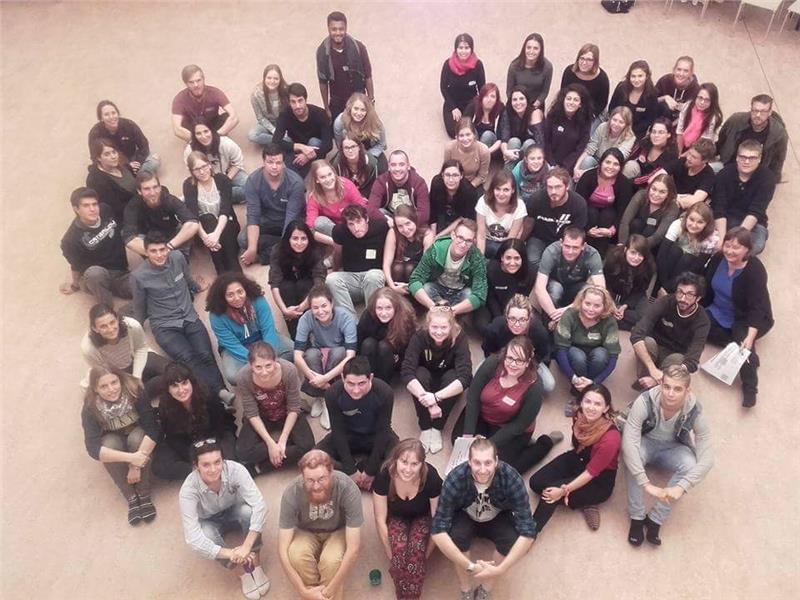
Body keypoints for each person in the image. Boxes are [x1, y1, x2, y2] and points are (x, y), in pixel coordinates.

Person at [431, 437, 536, 600]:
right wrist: (470, 566)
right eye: (477, 463)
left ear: (496, 461)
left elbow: (528, 531)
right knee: (456, 538)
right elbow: (438, 530)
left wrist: (500, 570)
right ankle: (465, 589)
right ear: (469, 462)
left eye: (488, 463)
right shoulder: (455, 478)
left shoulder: (511, 478)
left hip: (498, 516)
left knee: (512, 540)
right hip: (466, 514)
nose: (482, 470)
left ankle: (486, 588)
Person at [131, 232, 229, 402]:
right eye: (153, 251)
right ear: (146, 252)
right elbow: (139, 306)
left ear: (168, 248)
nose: (159, 255)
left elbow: (187, 278)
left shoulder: (177, 258)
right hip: (165, 326)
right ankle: (218, 396)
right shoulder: (138, 277)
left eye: (162, 249)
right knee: (188, 359)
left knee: (206, 355)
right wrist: (136, 331)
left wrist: (197, 286)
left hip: (189, 317)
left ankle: (222, 393)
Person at [622, 365, 713, 547]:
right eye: (667, 387)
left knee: (690, 464)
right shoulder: (644, 401)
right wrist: (646, 484)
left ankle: (655, 519)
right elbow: (629, 442)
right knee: (632, 456)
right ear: (661, 384)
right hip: (645, 443)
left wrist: (682, 487)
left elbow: (707, 456)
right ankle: (637, 517)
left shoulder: (695, 410)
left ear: (687, 391)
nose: (670, 394)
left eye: (677, 389)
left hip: (672, 448)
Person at [451, 337, 562, 475]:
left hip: (510, 427)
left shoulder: (534, 387)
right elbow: (473, 397)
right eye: (510, 358)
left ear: (528, 362)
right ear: (504, 355)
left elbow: (519, 425)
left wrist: (489, 444)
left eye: (519, 360)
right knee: (459, 443)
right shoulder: (492, 363)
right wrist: (468, 435)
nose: (513, 364)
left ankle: (545, 443)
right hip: (483, 414)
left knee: (500, 469)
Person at [178, 439, 269, 600]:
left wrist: (247, 546)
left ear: (223, 460)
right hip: (208, 520)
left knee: (248, 511)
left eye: (217, 462)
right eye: (206, 465)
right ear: (196, 466)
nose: (213, 469)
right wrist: (231, 553)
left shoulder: (236, 470)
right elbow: (192, 538)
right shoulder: (188, 490)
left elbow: (260, 505)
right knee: (206, 533)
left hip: (234, 509)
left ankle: (255, 563)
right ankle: (240, 571)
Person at [529, 384, 620, 533]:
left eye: (598, 404)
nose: (591, 408)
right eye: (587, 401)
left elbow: (591, 473)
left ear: (606, 408)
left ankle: (530, 532)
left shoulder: (611, 439)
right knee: (536, 483)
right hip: (578, 456)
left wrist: (563, 490)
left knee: (551, 493)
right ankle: (581, 500)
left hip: (598, 479)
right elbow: (577, 443)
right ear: (581, 402)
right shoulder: (578, 414)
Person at [278, 449, 363, 600]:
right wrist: (302, 591)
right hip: (306, 530)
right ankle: (313, 593)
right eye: (310, 480)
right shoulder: (292, 492)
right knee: (296, 555)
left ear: (331, 472)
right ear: (302, 476)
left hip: (338, 530)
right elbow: (282, 550)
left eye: (322, 479)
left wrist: (331, 589)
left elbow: (354, 548)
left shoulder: (347, 488)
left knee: (331, 561)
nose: (316, 486)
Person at [702, 227, 773, 407]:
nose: (730, 251)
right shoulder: (718, 258)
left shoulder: (755, 270)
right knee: (695, 326)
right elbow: (705, 284)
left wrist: (750, 337)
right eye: (727, 245)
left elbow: (757, 307)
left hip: (745, 317)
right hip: (717, 308)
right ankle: (732, 343)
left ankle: (750, 388)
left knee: (744, 349)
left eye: (736, 247)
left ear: (747, 250)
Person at [82, 367, 157, 526]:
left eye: (114, 382)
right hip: (114, 441)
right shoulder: (90, 407)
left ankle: (143, 493)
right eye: (103, 386)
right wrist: (132, 458)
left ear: (120, 379)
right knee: (109, 444)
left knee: (138, 438)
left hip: (138, 435)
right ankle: (131, 496)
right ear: (95, 389)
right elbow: (93, 448)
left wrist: (135, 467)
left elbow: (153, 429)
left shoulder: (135, 390)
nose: (111, 389)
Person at [138, 361, 237, 480]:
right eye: (175, 386)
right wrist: (194, 457)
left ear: (191, 382)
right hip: (189, 444)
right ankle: (198, 472)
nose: (181, 390)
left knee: (228, 459)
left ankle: (208, 471)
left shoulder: (207, 394)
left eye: (184, 383)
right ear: (168, 389)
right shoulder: (165, 405)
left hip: (216, 436)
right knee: (160, 465)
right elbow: (174, 438)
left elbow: (221, 426)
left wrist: (209, 451)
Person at [372, 439, 442, 600]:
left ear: (422, 464)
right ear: (395, 460)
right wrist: (392, 556)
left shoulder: (431, 477)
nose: (408, 469)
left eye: (414, 464)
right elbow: (379, 519)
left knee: (416, 554)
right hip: (397, 516)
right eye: (404, 462)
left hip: (423, 515)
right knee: (399, 555)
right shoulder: (384, 475)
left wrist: (424, 557)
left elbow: (437, 519)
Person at [316, 356, 399, 491]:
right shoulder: (333, 393)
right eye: (350, 384)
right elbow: (338, 431)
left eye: (361, 383)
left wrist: (371, 470)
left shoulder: (385, 392)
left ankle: (357, 476)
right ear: (342, 378)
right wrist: (350, 470)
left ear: (370, 378)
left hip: (375, 434)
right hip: (348, 435)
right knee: (315, 458)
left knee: (399, 460)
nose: (356, 390)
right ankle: (357, 477)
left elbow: (383, 430)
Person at [235, 342, 315, 474]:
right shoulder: (243, 377)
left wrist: (283, 439)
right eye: (258, 367)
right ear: (250, 365)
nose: (264, 372)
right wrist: (270, 443)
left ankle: (261, 467)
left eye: (268, 365)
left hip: (286, 412)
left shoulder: (289, 370)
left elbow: (294, 407)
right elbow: (252, 413)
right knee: (242, 452)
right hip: (261, 415)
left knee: (307, 445)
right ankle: (284, 450)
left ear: (275, 360)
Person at [401, 308, 473, 455]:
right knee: (419, 374)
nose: (439, 332)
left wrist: (435, 397)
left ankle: (437, 427)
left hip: (447, 382)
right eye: (434, 327)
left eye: (443, 327)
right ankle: (426, 426)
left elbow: (465, 377)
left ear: (451, 326)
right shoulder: (419, 336)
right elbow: (407, 372)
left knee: (453, 377)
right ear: (428, 325)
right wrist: (431, 403)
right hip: (424, 381)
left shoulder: (459, 338)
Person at [207, 272, 293, 382]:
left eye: (240, 292)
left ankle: (271, 373)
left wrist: (268, 356)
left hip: (262, 338)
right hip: (237, 347)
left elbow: (268, 329)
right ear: (222, 297)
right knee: (233, 376)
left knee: (294, 350)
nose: (237, 298)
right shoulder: (216, 316)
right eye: (230, 295)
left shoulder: (258, 300)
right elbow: (232, 345)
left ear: (246, 290)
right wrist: (256, 361)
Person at [630, 272, 710, 391]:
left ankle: (652, 386)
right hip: (655, 346)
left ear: (698, 298)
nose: (682, 298)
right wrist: (652, 369)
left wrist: (660, 377)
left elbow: (692, 361)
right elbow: (637, 334)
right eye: (680, 292)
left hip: (676, 356)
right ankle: (647, 380)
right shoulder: (665, 302)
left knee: (678, 359)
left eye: (689, 295)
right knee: (647, 342)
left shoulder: (703, 321)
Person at [293, 286, 358, 427]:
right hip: (320, 355)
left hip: (339, 357)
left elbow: (350, 356)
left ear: (332, 303)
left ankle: (329, 399)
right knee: (310, 354)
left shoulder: (346, 317)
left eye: (324, 306)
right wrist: (316, 380)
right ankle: (322, 397)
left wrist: (324, 379)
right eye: (315, 308)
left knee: (339, 352)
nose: (320, 311)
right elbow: (297, 356)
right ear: (310, 308)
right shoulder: (306, 318)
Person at [59, 187, 130, 305]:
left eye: (94, 204)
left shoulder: (105, 210)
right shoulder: (70, 240)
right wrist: (75, 285)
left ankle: (116, 287)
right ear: (76, 209)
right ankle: (106, 310)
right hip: (94, 277)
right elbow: (76, 266)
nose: (92, 209)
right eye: (86, 206)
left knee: (144, 287)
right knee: (95, 273)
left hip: (120, 271)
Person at [240, 144, 306, 266]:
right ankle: (283, 251)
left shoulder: (295, 182)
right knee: (243, 240)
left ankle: (266, 256)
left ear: (284, 163)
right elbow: (253, 215)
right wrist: (252, 248)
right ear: (263, 162)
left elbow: (291, 218)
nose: (274, 167)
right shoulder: (253, 180)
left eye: (278, 163)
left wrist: (287, 242)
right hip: (267, 221)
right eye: (270, 162)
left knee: (299, 239)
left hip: (290, 223)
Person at [554, 285, 621, 401]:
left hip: (595, 360)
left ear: (604, 306)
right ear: (581, 301)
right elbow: (561, 350)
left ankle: (589, 391)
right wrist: (574, 379)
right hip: (572, 356)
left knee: (601, 355)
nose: (591, 309)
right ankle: (578, 393)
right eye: (587, 303)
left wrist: (594, 382)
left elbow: (613, 357)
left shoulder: (609, 321)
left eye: (597, 306)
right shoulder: (569, 315)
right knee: (578, 357)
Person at [408, 219, 487, 316]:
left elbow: (480, 294)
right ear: (453, 235)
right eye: (460, 238)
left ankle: (452, 314)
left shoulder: (477, 257)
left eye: (468, 241)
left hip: (460, 293)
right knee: (426, 288)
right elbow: (415, 280)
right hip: (437, 290)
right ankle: (439, 309)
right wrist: (432, 306)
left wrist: (452, 310)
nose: (463, 244)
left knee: (469, 294)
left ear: (473, 241)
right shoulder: (436, 250)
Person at [80, 303, 168, 389]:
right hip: (113, 372)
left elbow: (141, 348)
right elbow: (103, 371)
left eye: (112, 322)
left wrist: (137, 376)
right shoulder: (88, 348)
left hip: (137, 358)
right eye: (103, 326)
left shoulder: (132, 326)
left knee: (171, 371)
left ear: (117, 319)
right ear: (95, 328)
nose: (110, 329)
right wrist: (128, 381)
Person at [711, 140, 775, 256]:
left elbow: (756, 211)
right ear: (737, 157)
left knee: (755, 245)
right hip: (726, 217)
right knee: (711, 240)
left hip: (753, 223)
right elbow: (719, 208)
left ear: (759, 159)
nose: (746, 161)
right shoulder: (725, 174)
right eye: (743, 157)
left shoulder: (767, 178)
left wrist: (735, 240)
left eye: (752, 158)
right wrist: (722, 239)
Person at [481, 294, 555, 393]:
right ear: (506, 317)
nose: (517, 324)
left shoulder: (539, 332)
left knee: (549, 385)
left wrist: (525, 368)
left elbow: (542, 354)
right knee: (479, 374)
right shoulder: (495, 327)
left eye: (522, 320)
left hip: (528, 363)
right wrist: (501, 365)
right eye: (512, 319)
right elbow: (487, 349)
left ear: (529, 318)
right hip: (501, 358)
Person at [183, 151, 241, 274]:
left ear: (209, 164)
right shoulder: (189, 185)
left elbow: (225, 210)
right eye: (197, 169)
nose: (202, 172)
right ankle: (221, 270)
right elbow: (193, 216)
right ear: (192, 171)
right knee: (208, 218)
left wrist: (216, 236)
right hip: (204, 230)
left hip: (226, 223)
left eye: (204, 166)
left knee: (229, 249)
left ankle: (234, 270)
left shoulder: (223, 180)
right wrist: (207, 239)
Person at [534, 227, 605, 324]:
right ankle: (548, 326)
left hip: (576, 286)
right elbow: (539, 288)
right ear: (561, 243)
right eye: (567, 246)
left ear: (583, 246)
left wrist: (568, 310)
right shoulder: (551, 251)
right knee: (556, 289)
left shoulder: (592, 254)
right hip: (555, 284)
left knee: (588, 290)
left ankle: (578, 324)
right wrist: (553, 315)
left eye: (575, 247)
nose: (570, 251)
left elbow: (601, 289)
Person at [326, 204, 388, 314]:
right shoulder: (340, 231)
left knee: (373, 276)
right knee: (331, 279)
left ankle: (371, 317)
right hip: (352, 278)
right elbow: (337, 253)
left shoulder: (381, 227)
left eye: (359, 222)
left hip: (374, 277)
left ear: (366, 219)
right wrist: (335, 270)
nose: (356, 228)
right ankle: (349, 319)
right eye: (351, 224)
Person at [268, 221, 327, 338]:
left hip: (308, 285)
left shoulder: (315, 250)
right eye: (295, 238)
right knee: (286, 287)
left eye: (303, 238)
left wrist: (301, 307)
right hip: (287, 284)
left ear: (309, 239)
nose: (299, 243)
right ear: (288, 239)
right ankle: (297, 338)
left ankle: (311, 327)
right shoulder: (278, 250)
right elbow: (274, 283)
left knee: (303, 285)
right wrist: (285, 310)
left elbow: (319, 281)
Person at [122, 171, 199, 259]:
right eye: (147, 189)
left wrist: (169, 247)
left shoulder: (169, 199)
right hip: (149, 240)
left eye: (155, 187)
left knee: (186, 228)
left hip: (171, 236)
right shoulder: (133, 206)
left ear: (160, 187)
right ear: (139, 191)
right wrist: (155, 252)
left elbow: (193, 223)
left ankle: (182, 257)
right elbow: (128, 237)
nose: (152, 193)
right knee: (133, 237)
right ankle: (154, 259)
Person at [523, 167, 588, 271]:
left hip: (564, 241)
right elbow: (528, 223)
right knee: (532, 260)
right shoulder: (537, 199)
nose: (553, 191)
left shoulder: (578, 204)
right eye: (550, 187)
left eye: (558, 187)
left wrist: (564, 247)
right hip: (539, 238)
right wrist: (519, 243)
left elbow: (577, 233)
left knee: (561, 264)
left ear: (567, 186)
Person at [575, 147, 634, 255]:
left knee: (608, 214)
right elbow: (578, 204)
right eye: (607, 162)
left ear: (620, 167)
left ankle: (599, 253)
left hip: (609, 217)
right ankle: (584, 249)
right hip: (588, 214)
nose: (610, 167)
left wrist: (611, 230)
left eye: (615, 164)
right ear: (601, 163)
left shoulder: (624, 183)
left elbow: (623, 211)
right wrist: (587, 229)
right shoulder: (588, 176)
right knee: (592, 212)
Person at [316, 11, 374, 120]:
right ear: (328, 29)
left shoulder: (359, 47)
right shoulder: (322, 52)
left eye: (341, 29)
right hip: (337, 103)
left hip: (359, 100)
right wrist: (327, 108)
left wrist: (371, 100)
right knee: (337, 128)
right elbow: (323, 82)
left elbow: (368, 76)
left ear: (346, 28)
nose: (338, 33)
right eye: (334, 29)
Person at [716, 93, 788, 181]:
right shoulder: (735, 121)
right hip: (727, 165)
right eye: (755, 110)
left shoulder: (778, 134)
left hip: (754, 175)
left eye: (763, 112)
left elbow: (778, 161)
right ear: (751, 109)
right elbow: (721, 141)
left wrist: (771, 180)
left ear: (770, 112)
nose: (758, 115)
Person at [656, 202, 719, 294]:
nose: (694, 225)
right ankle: (658, 292)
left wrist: (667, 288)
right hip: (668, 267)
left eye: (700, 222)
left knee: (687, 258)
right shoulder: (678, 224)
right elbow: (661, 255)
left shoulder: (710, 238)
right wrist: (664, 285)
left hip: (690, 272)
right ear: (686, 217)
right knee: (675, 250)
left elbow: (697, 268)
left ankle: (670, 292)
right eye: (691, 219)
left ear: (706, 224)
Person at [272, 83, 333, 178]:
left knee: (314, 141)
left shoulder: (320, 114)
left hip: (314, 148)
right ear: (289, 102)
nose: (297, 106)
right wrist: (300, 147)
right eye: (293, 102)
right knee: (285, 142)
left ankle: (307, 173)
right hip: (296, 146)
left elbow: (328, 144)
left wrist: (308, 155)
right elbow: (275, 141)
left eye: (300, 101)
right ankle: (296, 175)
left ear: (305, 100)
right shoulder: (285, 115)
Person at [357, 287, 416, 383]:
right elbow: (359, 342)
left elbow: (410, 349)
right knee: (368, 343)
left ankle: (382, 383)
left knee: (384, 346)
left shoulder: (405, 318)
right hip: (372, 355)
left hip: (394, 357)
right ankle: (368, 381)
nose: (383, 313)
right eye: (379, 308)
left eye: (388, 308)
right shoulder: (368, 315)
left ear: (395, 307)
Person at [305, 159, 368, 247]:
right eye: (323, 177)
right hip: (335, 230)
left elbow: (362, 208)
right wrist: (335, 242)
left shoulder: (346, 185)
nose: (328, 179)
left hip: (353, 223)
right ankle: (345, 243)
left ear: (334, 173)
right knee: (319, 222)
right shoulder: (314, 197)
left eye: (330, 174)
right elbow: (309, 228)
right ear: (317, 180)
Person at [183, 120, 248, 203]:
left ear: (212, 130)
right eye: (198, 133)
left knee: (251, 187)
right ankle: (210, 197)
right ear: (194, 136)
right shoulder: (190, 150)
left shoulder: (226, 143)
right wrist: (209, 184)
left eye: (206, 131)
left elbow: (237, 163)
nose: (203, 136)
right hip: (205, 177)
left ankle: (208, 198)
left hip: (229, 172)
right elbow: (193, 171)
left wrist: (225, 181)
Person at [88, 100, 159, 174]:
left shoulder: (129, 125)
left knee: (154, 162)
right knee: (96, 173)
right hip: (111, 164)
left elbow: (144, 146)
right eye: (106, 115)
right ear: (101, 118)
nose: (111, 117)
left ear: (118, 113)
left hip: (132, 158)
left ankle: (129, 177)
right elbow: (95, 157)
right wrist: (126, 166)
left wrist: (137, 162)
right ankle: (133, 176)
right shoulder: (95, 133)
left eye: (113, 113)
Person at [171, 64, 238, 142]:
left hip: (213, 125)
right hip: (194, 129)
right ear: (186, 83)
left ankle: (218, 138)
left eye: (198, 80)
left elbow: (235, 117)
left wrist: (217, 135)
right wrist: (198, 140)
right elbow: (177, 129)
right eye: (191, 82)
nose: (196, 85)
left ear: (203, 79)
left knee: (228, 116)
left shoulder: (215, 93)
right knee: (182, 124)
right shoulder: (179, 99)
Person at [603, 235, 655, 330]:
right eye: (633, 253)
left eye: (640, 255)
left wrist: (624, 306)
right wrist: (613, 304)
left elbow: (641, 290)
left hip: (634, 294)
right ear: (625, 250)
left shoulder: (649, 266)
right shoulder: (613, 258)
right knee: (599, 308)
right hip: (612, 292)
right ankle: (622, 322)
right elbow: (605, 284)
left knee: (646, 316)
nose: (636, 258)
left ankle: (614, 319)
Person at [480, 239, 535, 328]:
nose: (512, 263)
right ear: (502, 257)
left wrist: (511, 317)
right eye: (508, 258)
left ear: (523, 258)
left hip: (514, 306)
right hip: (491, 306)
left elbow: (522, 298)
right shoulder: (491, 269)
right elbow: (490, 297)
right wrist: (500, 318)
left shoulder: (530, 272)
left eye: (517, 258)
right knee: (483, 325)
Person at [618, 172, 680, 251]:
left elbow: (658, 235)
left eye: (662, 192)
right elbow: (625, 221)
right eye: (654, 189)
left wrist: (636, 249)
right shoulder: (641, 195)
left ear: (668, 194)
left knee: (650, 229)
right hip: (633, 236)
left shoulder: (672, 208)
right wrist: (622, 244)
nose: (656, 194)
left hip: (651, 244)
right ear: (649, 187)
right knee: (636, 223)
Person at [367, 149, 431, 225]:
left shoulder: (419, 183)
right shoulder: (381, 181)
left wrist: (404, 224)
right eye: (393, 165)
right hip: (390, 219)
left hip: (411, 220)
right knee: (379, 212)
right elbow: (371, 209)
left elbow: (424, 214)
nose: (397, 169)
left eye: (401, 164)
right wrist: (392, 222)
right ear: (389, 167)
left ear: (408, 166)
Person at [441, 33, 486, 138]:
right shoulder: (448, 64)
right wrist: (453, 108)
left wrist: (480, 107)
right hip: (452, 103)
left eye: (467, 48)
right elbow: (443, 87)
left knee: (464, 129)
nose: (463, 51)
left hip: (470, 102)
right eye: (460, 48)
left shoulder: (478, 65)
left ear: (471, 49)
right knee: (453, 132)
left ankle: (466, 123)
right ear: (456, 49)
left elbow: (482, 89)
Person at [573, 106, 636, 180]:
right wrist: (576, 167)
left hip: (612, 166)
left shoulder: (630, 137)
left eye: (621, 122)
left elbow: (616, 159)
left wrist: (585, 172)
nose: (616, 124)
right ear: (610, 119)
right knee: (587, 161)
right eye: (614, 120)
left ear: (627, 124)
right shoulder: (602, 127)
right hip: (597, 159)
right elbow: (589, 149)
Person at [382, 204, 433, 294]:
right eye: (400, 226)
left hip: (419, 277)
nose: (405, 229)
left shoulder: (427, 234)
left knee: (410, 268)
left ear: (415, 220)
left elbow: (427, 267)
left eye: (408, 223)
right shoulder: (393, 233)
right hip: (397, 275)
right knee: (397, 268)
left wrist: (410, 286)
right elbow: (386, 264)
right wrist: (392, 286)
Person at [476, 170, 527, 259]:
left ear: (513, 190)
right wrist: (480, 260)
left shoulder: (520, 206)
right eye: (498, 189)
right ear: (493, 189)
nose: (501, 194)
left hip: (505, 243)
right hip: (487, 240)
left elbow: (511, 239)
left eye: (506, 190)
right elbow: (481, 236)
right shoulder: (483, 201)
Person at [541, 83, 592, 173]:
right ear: (563, 100)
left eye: (576, 100)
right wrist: (552, 164)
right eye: (568, 99)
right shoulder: (553, 116)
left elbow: (579, 149)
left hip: (569, 167)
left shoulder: (585, 122)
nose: (571, 102)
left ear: (580, 104)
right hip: (549, 163)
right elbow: (546, 142)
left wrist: (564, 167)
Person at [85, 137, 137, 223]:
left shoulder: (124, 165)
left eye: (114, 152)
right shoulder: (95, 181)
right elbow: (113, 208)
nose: (113, 156)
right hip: (125, 218)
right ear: (98, 158)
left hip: (139, 205)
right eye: (107, 154)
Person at [333, 92, 387, 168]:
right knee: (335, 167)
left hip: (371, 152)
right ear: (350, 108)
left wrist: (368, 156)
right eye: (356, 109)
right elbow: (340, 145)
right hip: (349, 152)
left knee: (382, 168)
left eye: (363, 110)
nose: (359, 113)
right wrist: (351, 157)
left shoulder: (375, 122)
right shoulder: (340, 122)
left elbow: (382, 144)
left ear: (368, 111)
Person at [609, 60, 660, 140]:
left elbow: (650, 119)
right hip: (616, 127)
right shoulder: (621, 88)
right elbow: (612, 108)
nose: (636, 80)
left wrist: (629, 131)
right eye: (633, 76)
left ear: (647, 76)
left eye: (640, 76)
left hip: (636, 133)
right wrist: (618, 126)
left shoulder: (652, 93)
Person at [559, 43, 610, 123]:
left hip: (590, 113)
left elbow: (601, 103)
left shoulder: (602, 79)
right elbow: (563, 93)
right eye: (582, 58)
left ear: (595, 62)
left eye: (589, 60)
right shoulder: (569, 71)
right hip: (570, 106)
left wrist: (586, 117)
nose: (584, 63)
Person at [428, 160, 479, 238]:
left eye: (455, 175)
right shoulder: (436, 183)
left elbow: (464, 218)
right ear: (442, 175)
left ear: (461, 176)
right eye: (447, 175)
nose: (451, 180)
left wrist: (438, 236)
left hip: (459, 219)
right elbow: (433, 212)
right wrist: (433, 235)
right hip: (441, 213)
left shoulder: (469, 192)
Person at [622, 117, 680, 185]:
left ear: (669, 134)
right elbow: (631, 156)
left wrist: (629, 182)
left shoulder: (671, 154)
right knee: (630, 165)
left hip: (651, 185)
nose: (656, 135)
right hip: (635, 177)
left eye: (661, 132)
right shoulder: (646, 142)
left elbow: (651, 177)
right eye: (654, 132)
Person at [506, 32, 552, 115]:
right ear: (524, 48)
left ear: (541, 50)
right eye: (528, 47)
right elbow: (509, 91)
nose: (531, 51)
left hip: (535, 106)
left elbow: (544, 92)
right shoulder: (514, 66)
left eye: (535, 48)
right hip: (517, 105)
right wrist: (517, 105)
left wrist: (533, 107)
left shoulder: (547, 67)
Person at [666, 138, 717, 211]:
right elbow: (659, 175)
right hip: (670, 200)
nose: (688, 158)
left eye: (694, 157)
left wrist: (669, 198)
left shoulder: (709, 175)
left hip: (688, 210)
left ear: (704, 161)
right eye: (689, 153)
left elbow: (695, 200)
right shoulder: (682, 161)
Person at [248, 63, 290, 146]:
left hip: (284, 122)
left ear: (280, 79)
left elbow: (290, 112)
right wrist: (274, 131)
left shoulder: (287, 90)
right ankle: (280, 141)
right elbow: (260, 118)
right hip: (267, 122)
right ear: (264, 78)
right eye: (269, 78)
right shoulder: (256, 94)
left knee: (293, 136)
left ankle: (281, 140)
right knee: (252, 135)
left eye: (276, 79)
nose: (272, 81)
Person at [676, 83, 722, 155]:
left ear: (712, 102)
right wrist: (679, 153)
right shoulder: (687, 106)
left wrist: (683, 156)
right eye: (700, 98)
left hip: (700, 148)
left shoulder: (713, 118)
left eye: (707, 100)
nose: (702, 102)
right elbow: (679, 131)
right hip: (681, 143)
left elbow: (702, 142)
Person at [444, 118, 491, 189]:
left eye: (468, 135)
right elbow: (446, 170)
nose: (465, 139)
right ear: (456, 137)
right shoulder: (449, 148)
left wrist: (468, 188)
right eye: (461, 135)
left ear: (474, 135)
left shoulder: (483, 151)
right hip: (453, 181)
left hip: (472, 183)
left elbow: (482, 176)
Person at [498, 86, 538, 167]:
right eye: (515, 99)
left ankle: (522, 172)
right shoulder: (507, 112)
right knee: (514, 141)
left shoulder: (534, 114)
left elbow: (539, 140)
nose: (518, 102)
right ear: (511, 101)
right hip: (513, 149)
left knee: (529, 143)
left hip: (529, 153)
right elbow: (504, 137)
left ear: (527, 100)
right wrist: (505, 152)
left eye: (521, 99)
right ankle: (508, 173)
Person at [655, 56, 700, 123]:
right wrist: (664, 98)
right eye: (679, 69)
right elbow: (650, 102)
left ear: (691, 73)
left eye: (686, 71)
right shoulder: (664, 81)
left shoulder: (696, 90)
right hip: (661, 123)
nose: (681, 74)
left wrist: (686, 108)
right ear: (674, 70)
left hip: (682, 123)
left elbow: (697, 114)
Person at [463, 82, 504, 152]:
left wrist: (486, 152)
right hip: (474, 144)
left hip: (492, 147)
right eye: (486, 96)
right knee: (470, 130)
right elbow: (463, 126)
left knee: (487, 135)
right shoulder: (474, 105)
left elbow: (502, 138)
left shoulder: (501, 109)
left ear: (496, 99)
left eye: (492, 96)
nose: (489, 99)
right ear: (481, 97)